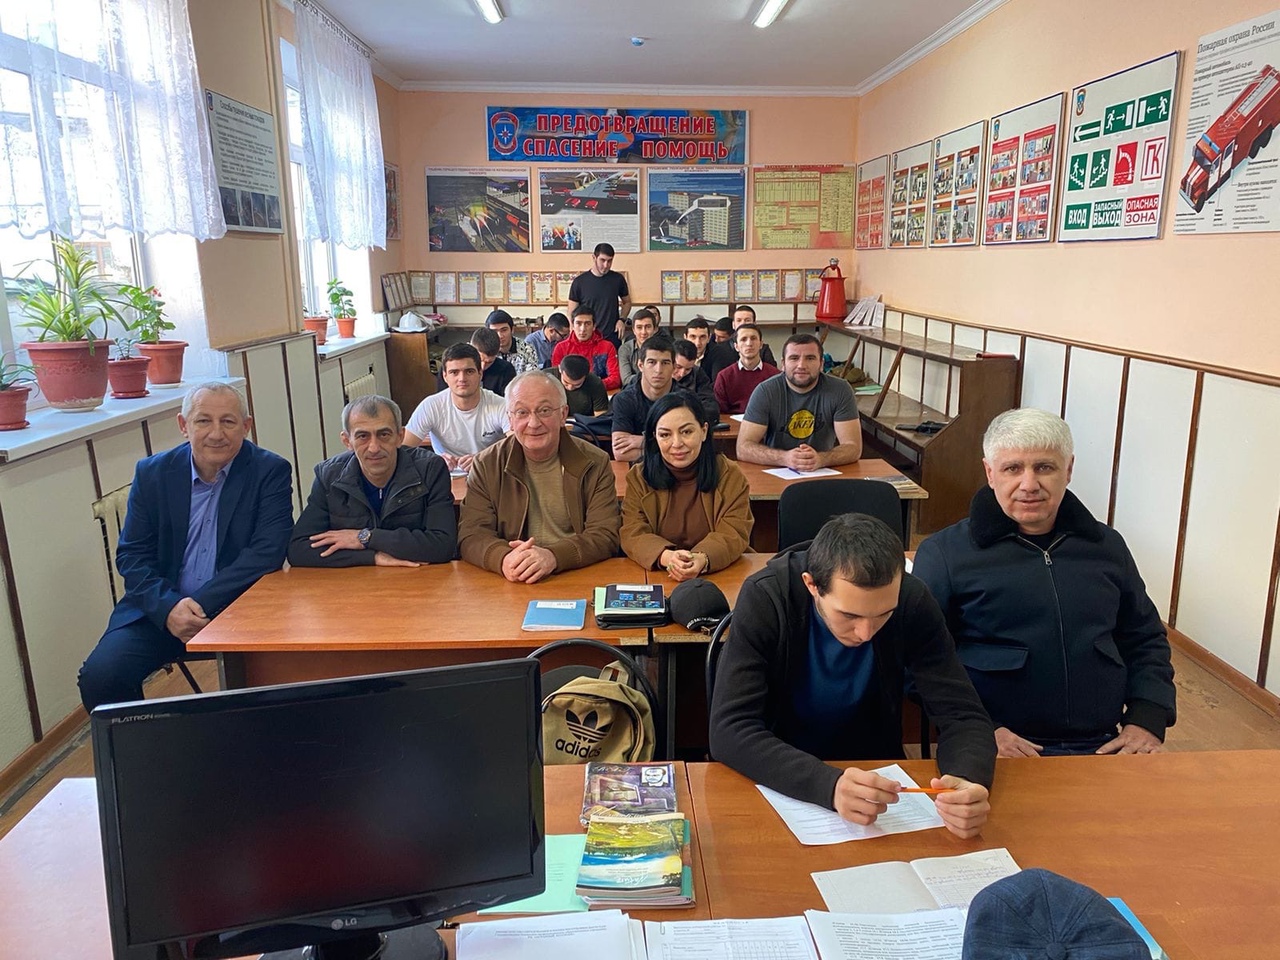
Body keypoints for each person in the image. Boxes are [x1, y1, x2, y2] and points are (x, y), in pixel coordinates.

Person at [708, 513, 996, 839]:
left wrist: (967, 780)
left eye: (883, 614)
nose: (866, 633)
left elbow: (963, 715)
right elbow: (730, 729)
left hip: (878, 779)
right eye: (849, 615)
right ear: (811, 585)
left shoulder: (911, 599)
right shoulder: (767, 597)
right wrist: (828, 785)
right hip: (778, 780)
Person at [913, 408, 1176, 757]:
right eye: (1012, 469)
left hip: (1102, 744)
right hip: (992, 743)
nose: (1029, 485)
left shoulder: (1107, 547)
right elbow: (920, 657)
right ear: (990, 473)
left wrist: (1147, 718)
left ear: (1068, 470)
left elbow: (1144, 638)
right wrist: (979, 730)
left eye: (1044, 467)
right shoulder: (945, 554)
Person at [77, 383, 293, 711]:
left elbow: (267, 552)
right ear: (183, 425)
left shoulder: (270, 471)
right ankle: (143, 745)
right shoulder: (152, 474)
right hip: (160, 609)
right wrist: (170, 609)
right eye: (203, 421)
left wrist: (196, 606)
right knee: (102, 676)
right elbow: (132, 555)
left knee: (281, 676)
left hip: (240, 606)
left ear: (246, 426)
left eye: (228, 421)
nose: (216, 433)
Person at [458, 371, 621, 582]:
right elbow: (471, 534)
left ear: (563, 414)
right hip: (512, 578)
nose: (533, 423)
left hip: (575, 572)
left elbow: (605, 533)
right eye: (522, 412)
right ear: (510, 419)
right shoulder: (487, 464)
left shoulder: (595, 462)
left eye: (544, 411)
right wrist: (504, 558)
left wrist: (553, 556)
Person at [288, 395, 456, 568]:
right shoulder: (329, 476)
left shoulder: (430, 469)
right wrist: (373, 557)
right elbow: (299, 549)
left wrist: (365, 537)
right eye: (363, 436)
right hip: (355, 581)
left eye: (384, 435)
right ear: (347, 441)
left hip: (418, 578)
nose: (374, 447)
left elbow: (443, 545)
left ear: (400, 436)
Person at [621, 392, 752, 581]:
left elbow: (734, 531)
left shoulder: (729, 474)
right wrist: (667, 557)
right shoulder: (639, 477)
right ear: (655, 438)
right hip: (660, 574)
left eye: (686, 432)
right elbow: (632, 532)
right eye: (665, 435)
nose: (677, 444)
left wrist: (702, 559)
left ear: (704, 431)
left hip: (719, 573)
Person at [737, 333, 862, 469]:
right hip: (777, 469)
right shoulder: (765, 391)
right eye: (794, 358)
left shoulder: (840, 390)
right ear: (783, 364)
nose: (801, 365)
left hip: (822, 470)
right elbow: (743, 448)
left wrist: (821, 459)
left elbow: (853, 447)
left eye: (810, 358)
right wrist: (784, 458)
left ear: (821, 364)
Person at [405, 342, 508, 472]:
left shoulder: (500, 405)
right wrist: (433, 461)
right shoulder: (431, 406)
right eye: (454, 372)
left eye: (469, 371)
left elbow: (519, 447)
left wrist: (484, 460)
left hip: (490, 473)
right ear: (445, 376)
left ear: (480, 373)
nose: (462, 379)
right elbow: (404, 451)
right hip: (444, 476)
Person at [567, 242, 630, 345]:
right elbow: (571, 313)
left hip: (611, 336)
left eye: (609, 261)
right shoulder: (579, 282)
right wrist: (574, 333)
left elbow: (627, 302)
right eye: (602, 260)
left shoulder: (618, 279)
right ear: (594, 258)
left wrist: (622, 320)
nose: (606, 265)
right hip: (587, 338)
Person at [714, 322, 780, 415]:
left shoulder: (775, 375)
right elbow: (720, 412)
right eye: (743, 339)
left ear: (761, 344)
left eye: (753, 338)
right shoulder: (724, 376)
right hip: (733, 422)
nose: (749, 343)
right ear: (736, 346)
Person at [550, 306, 621, 390]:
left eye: (587, 324)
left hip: (598, 391)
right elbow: (556, 379)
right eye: (578, 323)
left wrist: (589, 386)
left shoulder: (607, 347)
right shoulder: (561, 347)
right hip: (569, 392)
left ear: (594, 326)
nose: (583, 329)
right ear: (572, 325)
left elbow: (615, 379)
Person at [672, 338, 722, 422]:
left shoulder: (698, 373)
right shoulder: (658, 374)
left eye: (688, 369)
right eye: (678, 367)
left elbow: (711, 406)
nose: (682, 373)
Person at [486, 308, 540, 373]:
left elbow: (532, 375)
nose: (500, 336)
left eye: (504, 330)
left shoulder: (527, 349)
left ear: (512, 330)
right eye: (494, 331)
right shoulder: (484, 350)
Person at [684, 316, 735, 381]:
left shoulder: (719, 353)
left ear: (709, 338)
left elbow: (717, 382)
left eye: (702, 337)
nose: (698, 343)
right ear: (685, 337)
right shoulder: (677, 353)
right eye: (693, 337)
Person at [558, 353, 609, 417]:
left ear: (586, 376)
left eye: (577, 385)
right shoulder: (548, 379)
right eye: (566, 382)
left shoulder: (596, 383)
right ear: (560, 369)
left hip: (586, 421)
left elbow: (601, 417)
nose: (570, 387)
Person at [618, 307, 657, 386]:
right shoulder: (625, 349)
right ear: (633, 330)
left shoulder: (663, 349)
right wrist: (653, 377)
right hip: (632, 390)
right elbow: (626, 380)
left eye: (648, 327)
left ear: (654, 329)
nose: (643, 332)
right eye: (639, 327)